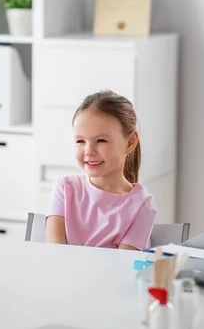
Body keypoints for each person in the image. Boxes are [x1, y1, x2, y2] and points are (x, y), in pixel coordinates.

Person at [45, 90, 157, 250]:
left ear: (130, 142)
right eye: (80, 141)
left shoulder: (143, 205)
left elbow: (122, 265)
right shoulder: (64, 189)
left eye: (101, 140)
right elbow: (56, 254)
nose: (89, 151)